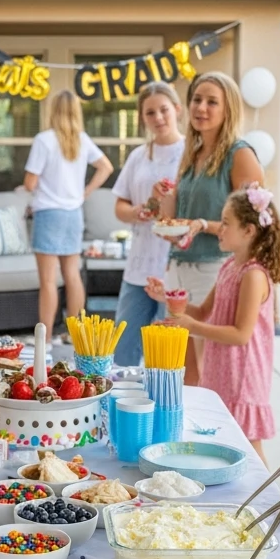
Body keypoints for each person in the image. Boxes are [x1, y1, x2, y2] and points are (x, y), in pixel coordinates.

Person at [148, 185, 280, 465]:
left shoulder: (254, 276)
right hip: (222, 371)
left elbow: (240, 334)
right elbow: (201, 312)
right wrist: (167, 297)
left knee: (249, 447)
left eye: (226, 223)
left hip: (242, 376)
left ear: (249, 230)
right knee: (225, 444)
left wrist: (189, 327)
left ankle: (270, 504)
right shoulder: (229, 267)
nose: (219, 229)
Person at [154, 72, 265, 386]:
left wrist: (203, 225)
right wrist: (165, 199)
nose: (201, 107)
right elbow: (174, 221)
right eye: (196, 100)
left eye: (211, 101)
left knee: (209, 371)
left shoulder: (239, 155)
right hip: (178, 267)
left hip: (213, 270)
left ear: (228, 109)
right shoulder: (192, 154)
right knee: (181, 368)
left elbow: (254, 225)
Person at [23, 90, 113, 333]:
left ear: (53, 111)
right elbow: (106, 167)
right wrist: (84, 193)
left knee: (48, 281)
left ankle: (47, 338)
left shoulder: (44, 140)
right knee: (72, 276)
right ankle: (76, 336)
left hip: (49, 214)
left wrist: (26, 187)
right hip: (73, 214)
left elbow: (30, 183)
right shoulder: (82, 139)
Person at [111, 81, 185, 365]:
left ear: (177, 110)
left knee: (165, 357)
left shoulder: (191, 153)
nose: (158, 118)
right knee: (123, 349)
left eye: (164, 110)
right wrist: (137, 211)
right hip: (139, 266)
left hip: (173, 266)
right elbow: (120, 205)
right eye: (150, 113)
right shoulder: (138, 156)